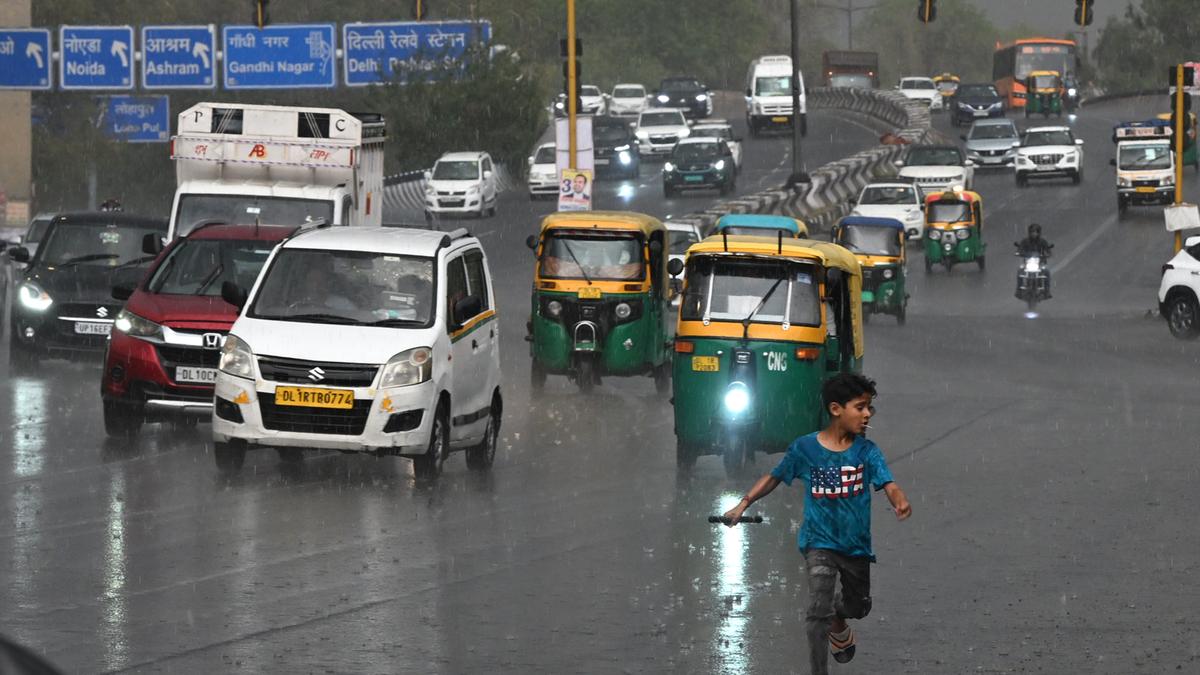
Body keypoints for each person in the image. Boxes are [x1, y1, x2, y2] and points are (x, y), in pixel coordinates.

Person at [723, 373, 911, 675]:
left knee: (858, 607)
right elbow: (774, 477)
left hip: (856, 548)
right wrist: (743, 504)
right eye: (860, 407)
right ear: (836, 409)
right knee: (816, 612)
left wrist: (898, 499)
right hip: (818, 543)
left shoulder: (866, 452)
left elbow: (888, 483)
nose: (867, 415)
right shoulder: (805, 449)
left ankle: (840, 615)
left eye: (869, 409)